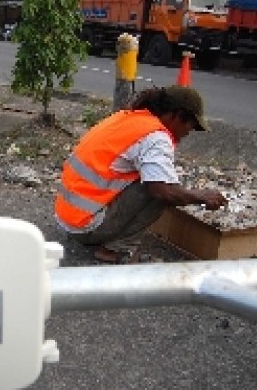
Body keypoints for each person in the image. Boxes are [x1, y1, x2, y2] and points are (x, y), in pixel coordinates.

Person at [54, 85, 228, 263]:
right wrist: (201, 197)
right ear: (178, 115)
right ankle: (116, 250)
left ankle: (103, 238)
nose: (187, 133)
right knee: (160, 189)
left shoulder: (128, 118)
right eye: (190, 126)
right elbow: (162, 191)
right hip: (86, 227)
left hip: (69, 219)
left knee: (159, 179)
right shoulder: (155, 137)